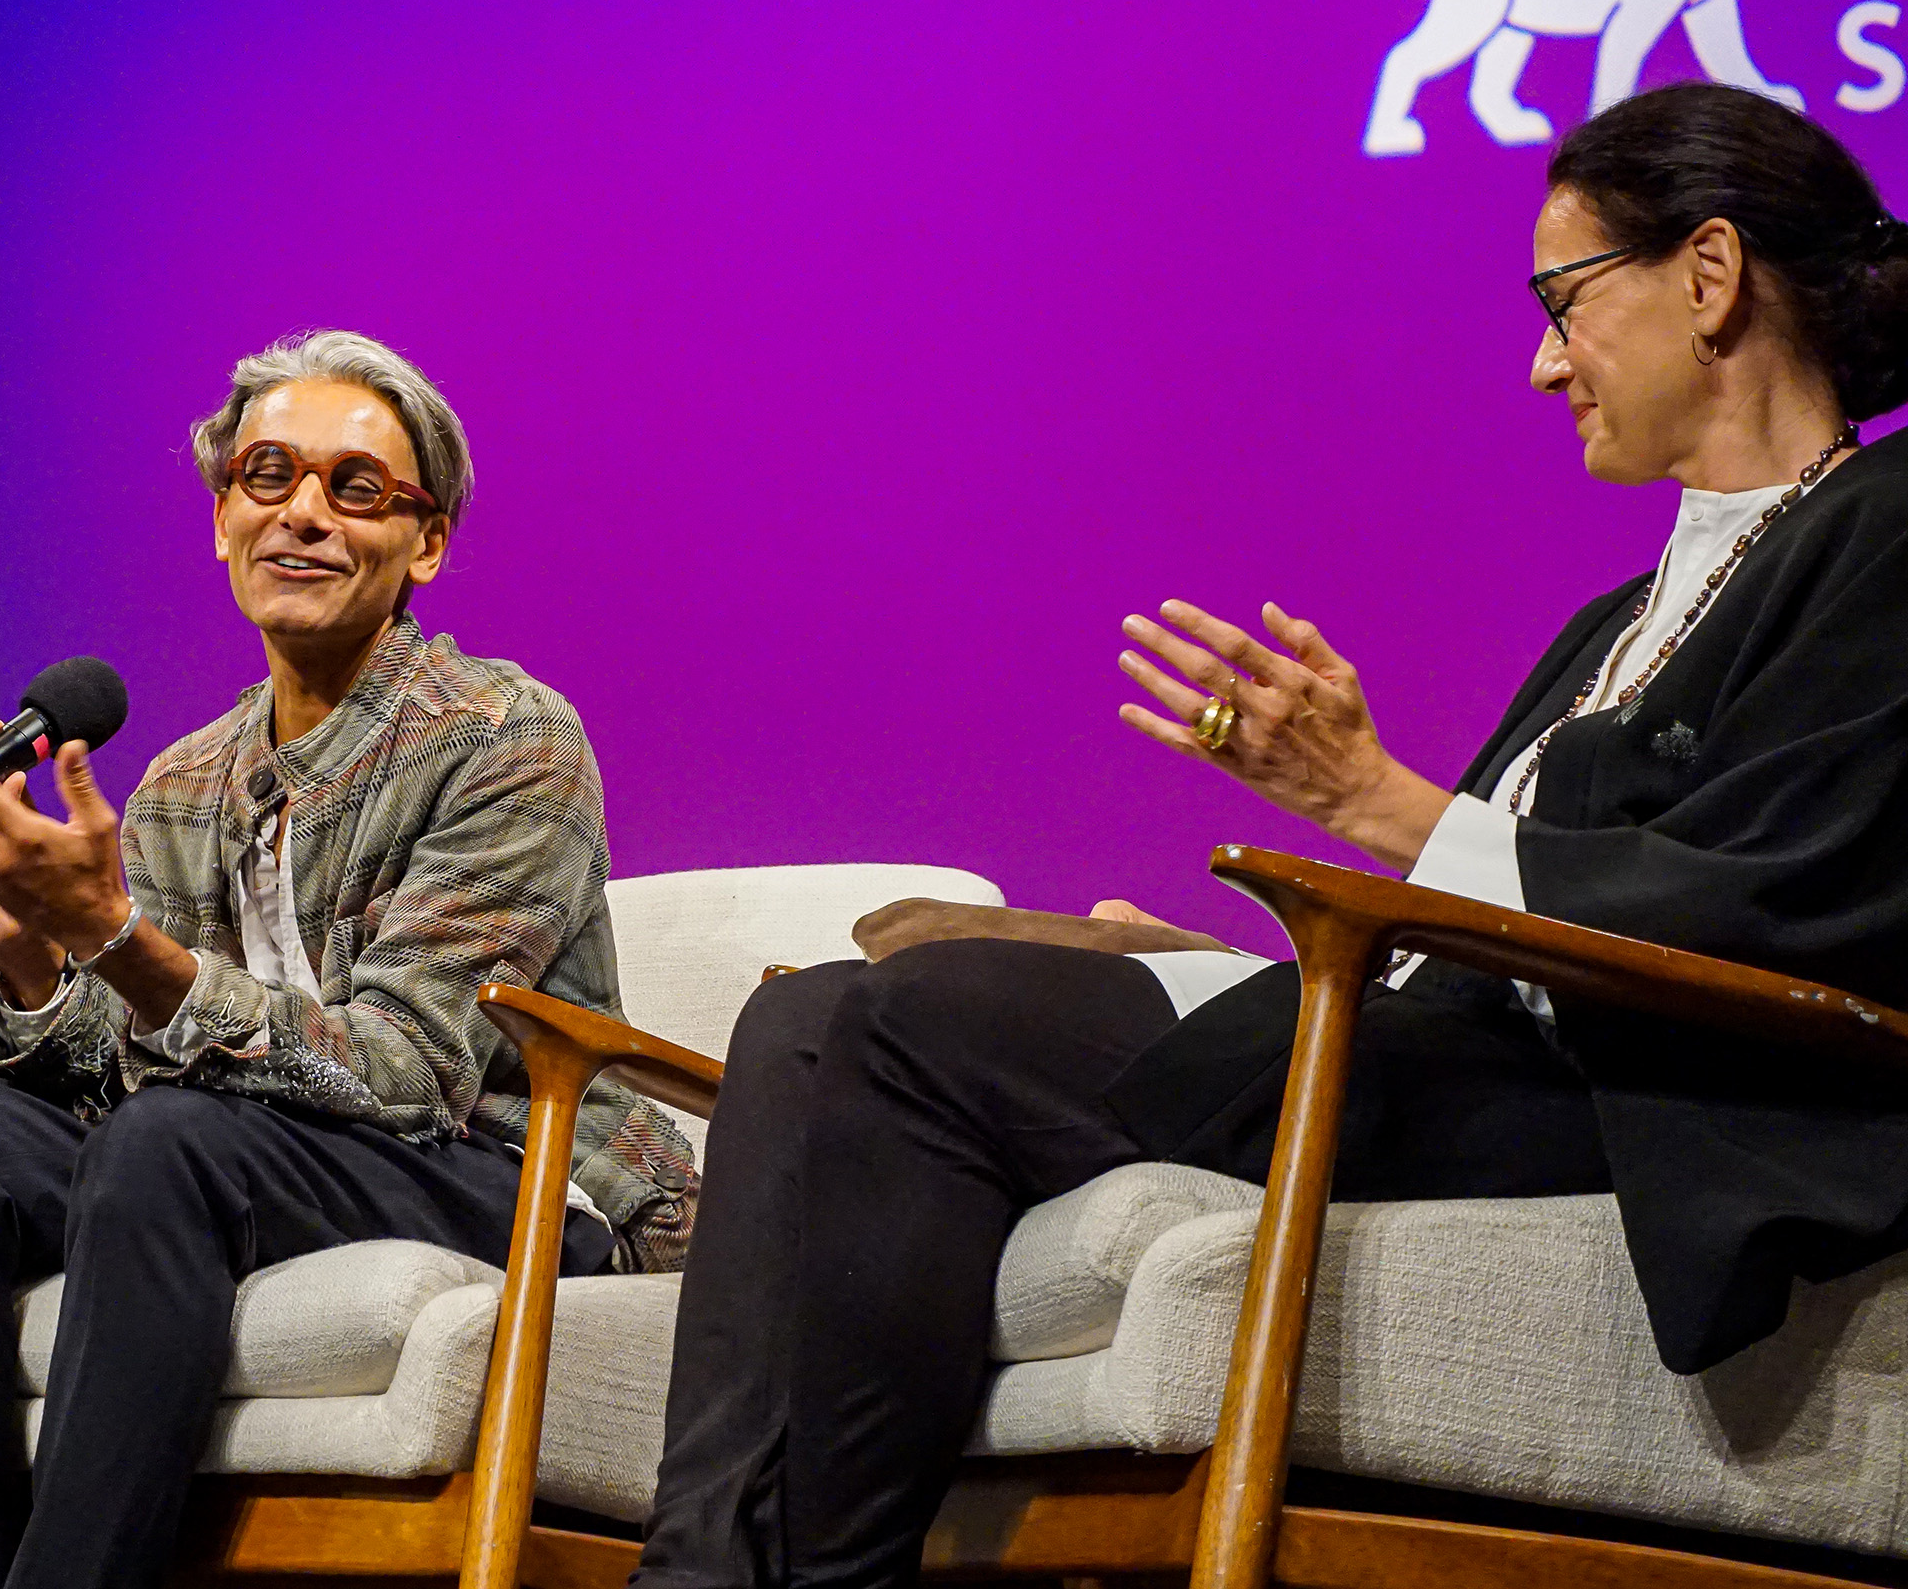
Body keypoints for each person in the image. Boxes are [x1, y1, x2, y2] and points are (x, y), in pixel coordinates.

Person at [632, 82, 1908, 1587]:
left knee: (918, 1022)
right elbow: (1470, 918)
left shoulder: (1880, 528)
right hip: (1443, 1037)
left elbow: (1790, 895)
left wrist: (1375, 803)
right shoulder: (1615, 620)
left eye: (1563, 301)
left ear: (1709, 276)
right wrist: (1207, 950)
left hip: (1641, 1087)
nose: (1540, 360)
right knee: (810, 1022)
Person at [0, 330, 699, 1589]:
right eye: (267, 475)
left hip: (517, 1172)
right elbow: (131, 1061)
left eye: (355, 488)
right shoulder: (189, 778)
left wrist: (116, 937)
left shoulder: (507, 738)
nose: (303, 511)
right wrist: (36, 963)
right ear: (221, 517)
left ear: (427, 542)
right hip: (255, 1152)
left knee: (173, 1139)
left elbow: (407, 1073)